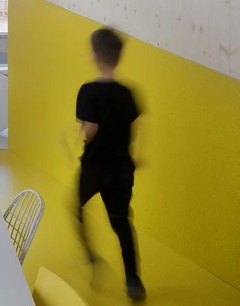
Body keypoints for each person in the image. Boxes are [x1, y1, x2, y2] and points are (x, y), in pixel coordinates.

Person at [75, 26, 146, 301]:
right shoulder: (128, 92)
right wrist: (131, 154)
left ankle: (91, 255)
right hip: (121, 168)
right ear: (118, 58)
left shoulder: (88, 91)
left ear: (95, 57)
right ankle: (133, 279)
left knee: (76, 207)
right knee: (121, 222)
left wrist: (83, 134)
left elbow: (91, 128)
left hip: (95, 166)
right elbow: (133, 128)